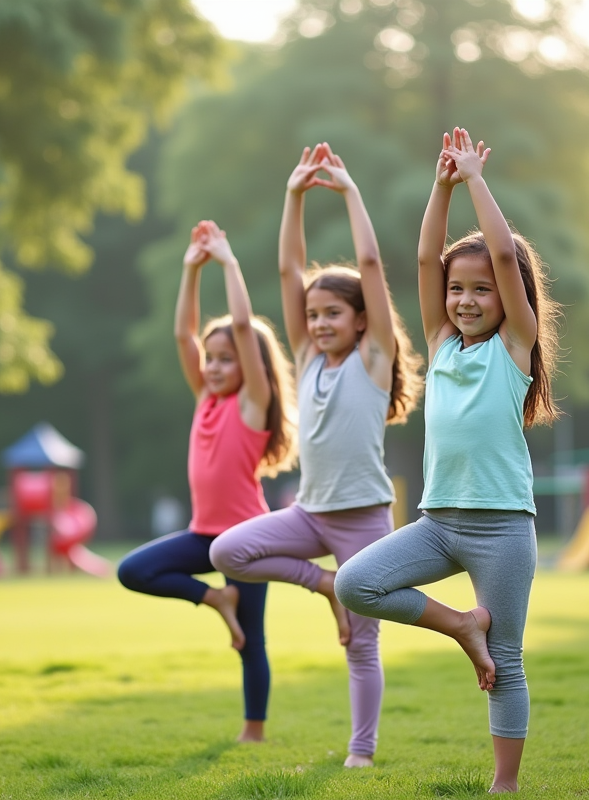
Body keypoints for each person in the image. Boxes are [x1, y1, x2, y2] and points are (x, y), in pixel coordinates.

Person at [334, 128, 562, 793]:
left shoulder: (514, 348)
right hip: (438, 523)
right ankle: (463, 626)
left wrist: (475, 182)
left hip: (502, 529)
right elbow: (426, 258)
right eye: (457, 290)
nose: (464, 299)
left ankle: (504, 785)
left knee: (509, 661)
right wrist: (440, 186)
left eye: (482, 291)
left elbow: (498, 248)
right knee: (355, 585)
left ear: (508, 298)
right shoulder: (439, 343)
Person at [210, 143, 423, 768]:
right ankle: (328, 585)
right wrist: (293, 196)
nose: (320, 322)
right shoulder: (306, 359)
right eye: (313, 314)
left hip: (362, 520)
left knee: (362, 645)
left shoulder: (373, 360)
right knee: (228, 552)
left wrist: (349, 191)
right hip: (309, 513)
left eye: (334, 313)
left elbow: (370, 263)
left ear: (362, 322)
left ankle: (361, 752)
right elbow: (287, 271)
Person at [117, 220, 297, 744]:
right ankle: (214, 600)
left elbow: (244, 326)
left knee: (252, 642)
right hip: (204, 535)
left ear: (252, 368)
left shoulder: (251, 405)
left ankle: (254, 730)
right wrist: (190, 270)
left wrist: (228, 262)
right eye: (210, 360)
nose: (214, 367)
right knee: (134, 570)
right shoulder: (206, 398)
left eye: (226, 360)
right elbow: (182, 334)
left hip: (246, 539)